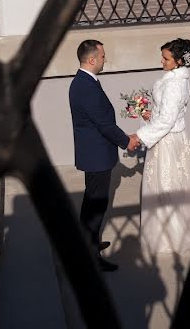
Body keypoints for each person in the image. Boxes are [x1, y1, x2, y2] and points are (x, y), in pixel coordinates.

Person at [69, 39, 140, 271]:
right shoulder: (85, 86)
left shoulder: (83, 82)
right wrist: (126, 141)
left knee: (92, 202)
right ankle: (89, 257)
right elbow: (103, 124)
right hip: (96, 155)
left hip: (95, 153)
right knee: (96, 205)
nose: (104, 59)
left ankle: (85, 244)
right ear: (91, 60)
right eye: (102, 56)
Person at [136, 38, 190, 255]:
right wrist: (150, 114)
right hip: (171, 136)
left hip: (168, 141)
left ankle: (171, 237)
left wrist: (141, 135)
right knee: (174, 186)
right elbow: (167, 113)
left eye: (166, 58)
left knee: (168, 187)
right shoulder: (174, 79)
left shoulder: (175, 84)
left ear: (178, 61)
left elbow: (168, 120)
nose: (162, 61)